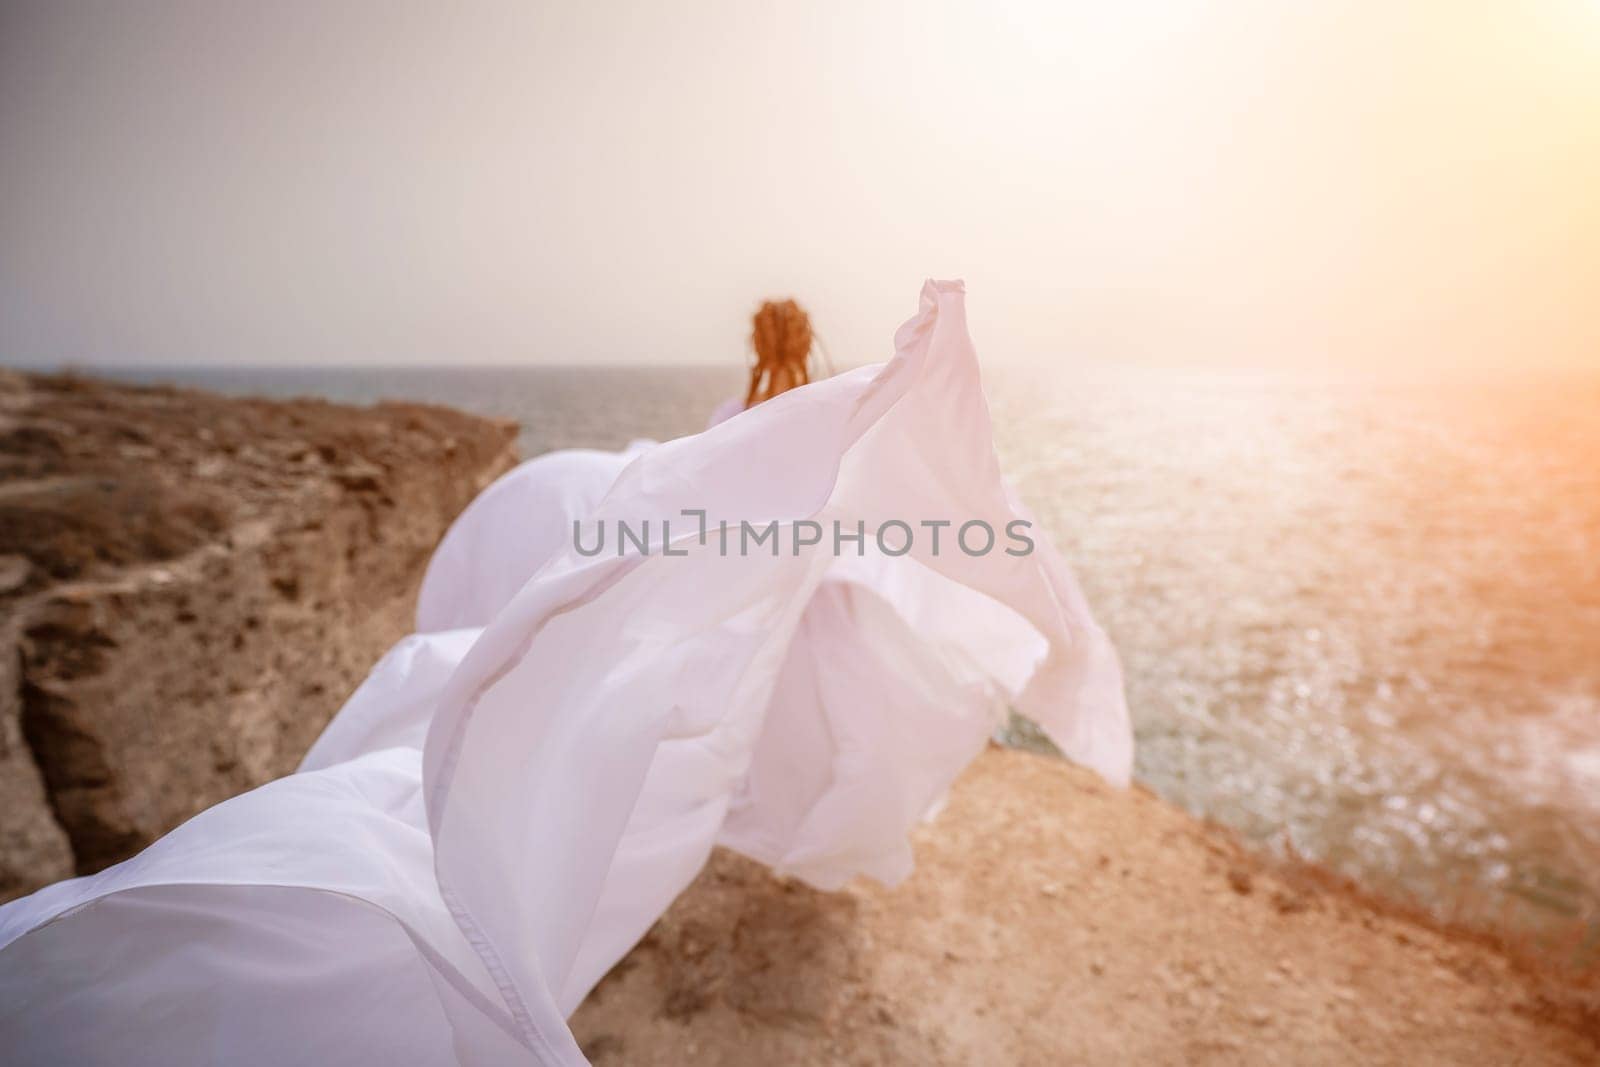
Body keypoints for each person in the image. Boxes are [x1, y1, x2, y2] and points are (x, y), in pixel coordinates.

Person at [0, 280, 1131, 1066]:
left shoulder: (767, 390)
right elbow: (806, 462)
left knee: (706, 699)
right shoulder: (807, 384)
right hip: (769, 577)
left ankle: (681, 776)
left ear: (760, 331)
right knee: (740, 698)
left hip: (749, 571)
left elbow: (745, 459)